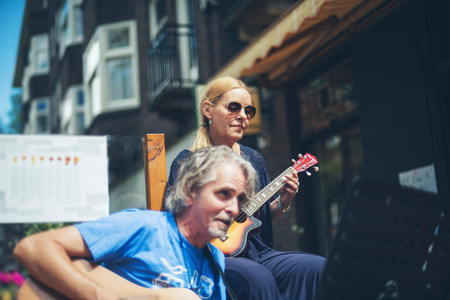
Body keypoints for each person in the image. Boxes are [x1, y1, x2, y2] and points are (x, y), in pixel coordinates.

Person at [13, 145, 258, 300]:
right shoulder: (145, 227)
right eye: (224, 194)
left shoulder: (215, 262)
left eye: (240, 199)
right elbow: (33, 247)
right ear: (190, 190)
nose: (234, 208)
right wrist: (99, 295)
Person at [167, 76, 326, 300]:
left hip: (259, 254)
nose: (243, 116)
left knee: (317, 267)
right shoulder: (187, 163)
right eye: (234, 107)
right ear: (208, 110)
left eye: (248, 111)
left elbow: (255, 222)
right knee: (257, 277)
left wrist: (283, 201)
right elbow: (178, 223)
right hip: (211, 256)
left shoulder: (254, 159)